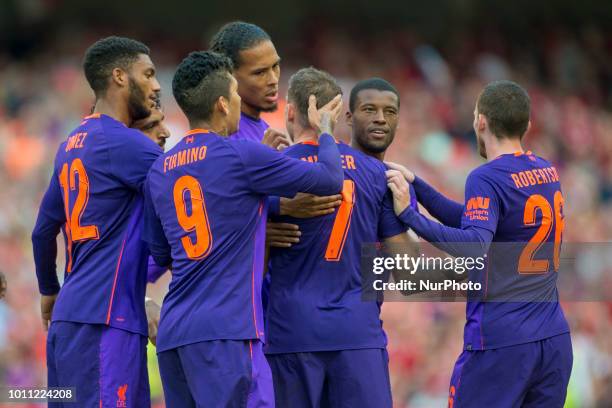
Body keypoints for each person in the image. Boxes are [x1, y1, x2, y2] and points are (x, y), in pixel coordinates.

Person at [143, 51, 344, 407]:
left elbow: (160, 252)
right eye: (235, 94)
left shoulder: (159, 170)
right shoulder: (241, 155)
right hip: (227, 332)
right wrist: (326, 131)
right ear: (222, 104)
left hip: (174, 335)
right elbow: (329, 179)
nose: (239, 101)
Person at [386, 80, 572, 407]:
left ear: (480, 121)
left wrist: (410, 217)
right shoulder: (546, 170)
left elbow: (474, 243)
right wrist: (419, 187)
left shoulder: (486, 177)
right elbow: (481, 222)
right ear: (526, 125)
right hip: (553, 338)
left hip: (502, 342)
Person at [264, 68, 416, 408]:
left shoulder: (271, 171)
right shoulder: (378, 174)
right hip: (358, 334)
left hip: (292, 332)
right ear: (337, 114)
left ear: (290, 111)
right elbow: (410, 274)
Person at [31, 36, 162, 407]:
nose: (155, 86)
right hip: (106, 322)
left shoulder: (71, 143)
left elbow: (43, 231)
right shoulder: (126, 145)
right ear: (120, 77)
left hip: (69, 321)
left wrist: (49, 290)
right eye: (148, 74)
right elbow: (197, 187)